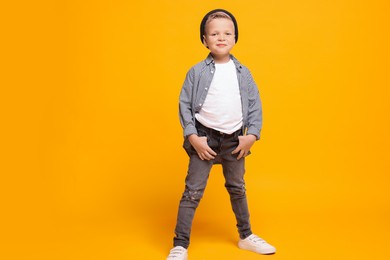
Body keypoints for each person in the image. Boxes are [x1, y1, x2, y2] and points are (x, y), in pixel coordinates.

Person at [167, 9, 276, 260]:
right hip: (204, 138)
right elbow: (184, 105)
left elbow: (254, 104)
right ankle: (180, 244)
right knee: (192, 191)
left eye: (227, 33)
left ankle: (246, 236)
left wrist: (252, 135)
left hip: (235, 139)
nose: (221, 37)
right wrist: (193, 136)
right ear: (204, 40)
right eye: (214, 33)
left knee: (237, 188)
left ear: (235, 38)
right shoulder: (196, 72)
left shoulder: (243, 72)